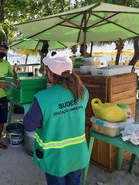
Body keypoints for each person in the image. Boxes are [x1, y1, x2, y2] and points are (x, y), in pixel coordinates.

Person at [23, 54, 89, 185]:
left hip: (55, 158)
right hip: (77, 154)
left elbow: (28, 126)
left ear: (50, 73)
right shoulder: (82, 92)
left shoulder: (43, 97)